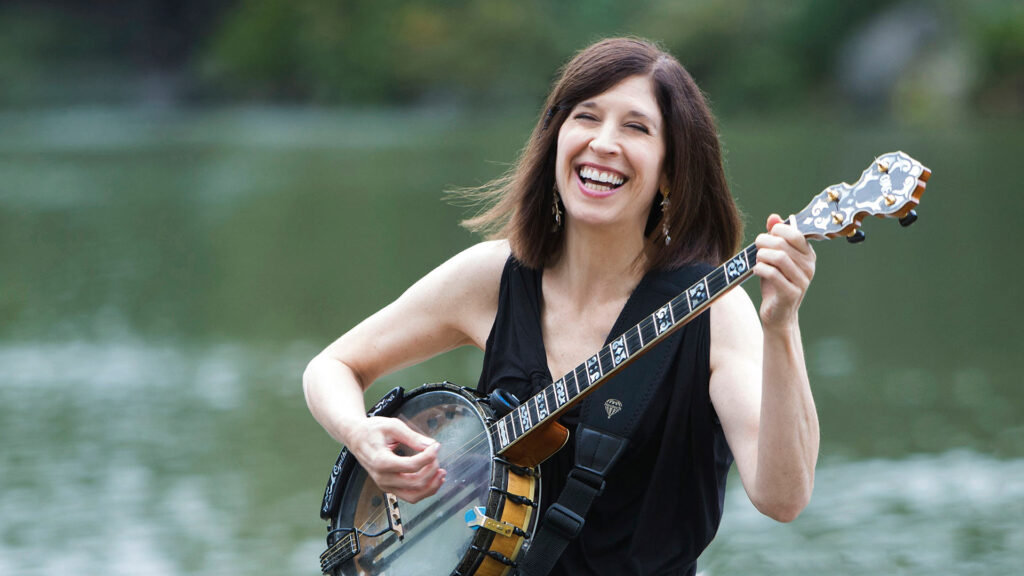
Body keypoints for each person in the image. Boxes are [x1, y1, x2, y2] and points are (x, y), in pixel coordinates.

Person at [304, 37, 818, 575]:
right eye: (586, 116)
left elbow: (782, 497)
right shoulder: (494, 277)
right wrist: (360, 434)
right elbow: (332, 366)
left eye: (636, 127)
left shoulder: (713, 311)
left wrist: (781, 325)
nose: (603, 143)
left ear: (671, 171)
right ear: (555, 140)